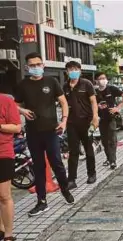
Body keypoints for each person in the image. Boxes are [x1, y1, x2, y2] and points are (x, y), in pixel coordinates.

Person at [15, 52, 74, 217]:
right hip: (33, 132)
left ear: (43, 65)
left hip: (51, 130)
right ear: (27, 67)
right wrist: (22, 110)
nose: (35, 67)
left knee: (57, 163)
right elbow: (15, 104)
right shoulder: (23, 85)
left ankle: (65, 189)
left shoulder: (51, 81)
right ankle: (42, 201)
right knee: (38, 167)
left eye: (38, 64)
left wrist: (63, 121)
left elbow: (63, 102)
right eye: (32, 65)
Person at [63, 61, 99, 190]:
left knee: (88, 148)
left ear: (80, 70)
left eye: (76, 69)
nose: (73, 71)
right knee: (73, 151)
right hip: (71, 123)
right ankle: (71, 179)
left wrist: (95, 117)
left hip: (86, 121)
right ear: (66, 71)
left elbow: (93, 101)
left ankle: (92, 173)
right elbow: (63, 104)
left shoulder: (86, 84)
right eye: (70, 69)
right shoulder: (65, 87)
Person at [0, 94, 21, 241]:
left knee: (4, 195)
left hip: (3, 154)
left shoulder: (6, 101)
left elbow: (16, 127)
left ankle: (8, 235)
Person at [95, 72, 123, 170]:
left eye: (104, 78)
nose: (103, 80)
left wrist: (118, 108)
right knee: (104, 141)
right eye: (100, 78)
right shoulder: (95, 92)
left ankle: (113, 161)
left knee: (112, 140)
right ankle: (108, 158)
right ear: (97, 81)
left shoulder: (111, 89)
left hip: (112, 118)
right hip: (101, 119)